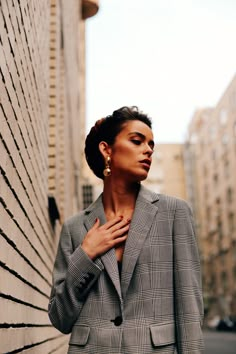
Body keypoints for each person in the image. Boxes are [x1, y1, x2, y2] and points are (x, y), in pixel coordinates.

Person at [48, 106, 204, 353]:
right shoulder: (74, 228)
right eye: (137, 141)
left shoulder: (174, 214)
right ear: (106, 149)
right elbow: (60, 318)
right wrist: (85, 255)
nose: (148, 150)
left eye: (151, 144)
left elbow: (189, 309)